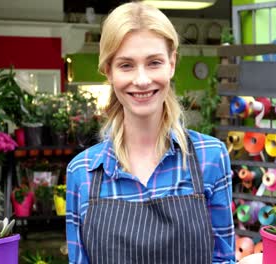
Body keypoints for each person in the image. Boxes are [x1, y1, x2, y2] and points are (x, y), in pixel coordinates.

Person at [66, 2, 235, 263]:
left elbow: (223, 259)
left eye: (154, 62)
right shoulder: (84, 171)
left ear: (172, 63)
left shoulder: (210, 158)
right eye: (126, 65)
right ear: (108, 71)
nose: (142, 80)